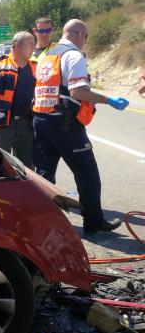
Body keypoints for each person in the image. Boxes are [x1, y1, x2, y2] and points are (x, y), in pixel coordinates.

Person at [32, 19, 130, 233]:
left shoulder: (46, 56)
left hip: (41, 120)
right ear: (78, 35)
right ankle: (93, 222)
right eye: (86, 37)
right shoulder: (73, 56)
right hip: (64, 124)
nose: (85, 41)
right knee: (87, 172)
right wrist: (108, 100)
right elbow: (78, 92)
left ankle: (43, 225)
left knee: (43, 175)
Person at [0, 31, 37, 168]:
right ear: (16, 46)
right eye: (30, 44)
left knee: (27, 167)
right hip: (2, 126)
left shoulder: (35, 68)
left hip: (27, 125)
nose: (34, 47)